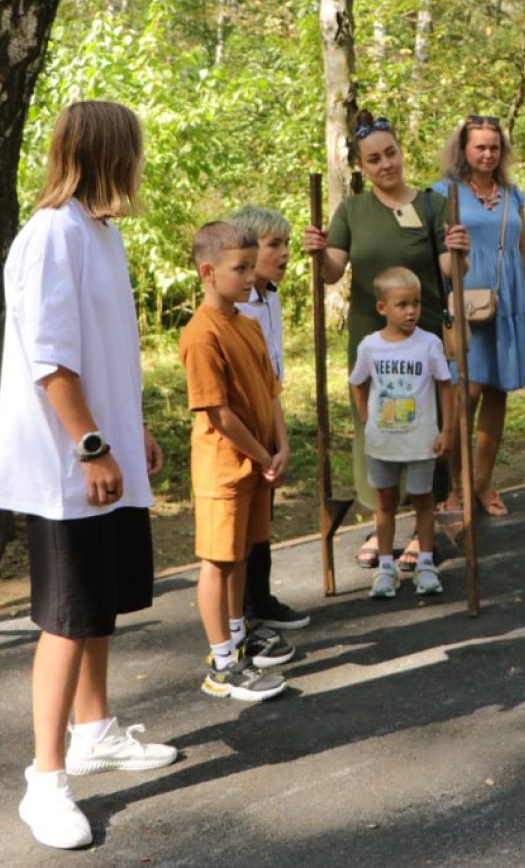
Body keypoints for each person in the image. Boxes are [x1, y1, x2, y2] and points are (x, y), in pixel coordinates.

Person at [0, 101, 176, 850]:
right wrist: (92, 445)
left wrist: (131, 431)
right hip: (65, 465)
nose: (139, 164)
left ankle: (94, 730)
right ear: (108, 153)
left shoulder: (100, 232)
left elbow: (106, 350)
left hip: (103, 449)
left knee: (99, 602)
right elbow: (50, 360)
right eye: (134, 150)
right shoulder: (51, 235)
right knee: (67, 618)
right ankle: (45, 781)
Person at [301, 110, 470, 572]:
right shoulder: (352, 211)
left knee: (423, 421)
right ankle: (382, 525)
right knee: (377, 422)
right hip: (371, 339)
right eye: (374, 159)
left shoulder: (434, 204)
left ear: (401, 152)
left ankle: (421, 526)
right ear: (361, 166)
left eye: (390, 153)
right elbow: (332, 272)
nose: (385, 164)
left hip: (421, 334)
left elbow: (450, 272)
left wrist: (461, 251)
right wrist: (317, 254)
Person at [180, 222, 295, 703]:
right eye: (240, 269)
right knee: (218, 561)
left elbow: (270, 393)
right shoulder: (201, 335)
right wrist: (263, 453)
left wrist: (281, 446)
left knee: (241, 554)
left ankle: (238, 639)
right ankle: (222, 664)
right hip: (224, 470)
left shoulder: (247, 324)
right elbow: (218, 414)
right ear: (208, 272)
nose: (251, 277)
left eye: (252, 267)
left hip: (256, 464)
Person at [431, 114, 525, 519]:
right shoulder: (443, 194)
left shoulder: (513, 195)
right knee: (466, 394)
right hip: (465, 303)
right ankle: (454, 486)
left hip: (508, 301)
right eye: (480, 147)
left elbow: (523, 251)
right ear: (463, 150)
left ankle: (483, 483)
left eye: (494, 147)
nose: (488, 154)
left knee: (497, 392)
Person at [227, 206, 312, 633]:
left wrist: (280, 438)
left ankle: (259, 598)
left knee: (263, 518)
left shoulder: (270, 299)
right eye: (273, 245)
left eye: (287, 244)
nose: (284, 253)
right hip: (242, 425)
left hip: (268, 417)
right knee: (240, 523)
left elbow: (272, 375)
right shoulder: (235, 310)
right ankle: (239, 611)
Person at [349, 266, 456, 599]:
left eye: (416, 303)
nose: (411, 311)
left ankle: (425, 563)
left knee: (424, 500)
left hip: (421, 441)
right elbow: (357, 382)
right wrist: (366, 417)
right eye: (402, 304)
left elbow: (446, 385)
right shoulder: (370, 347)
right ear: (382, 308)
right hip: (383, 442)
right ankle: (385, 567)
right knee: (385, 502)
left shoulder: (429, 344)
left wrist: (447, 429)